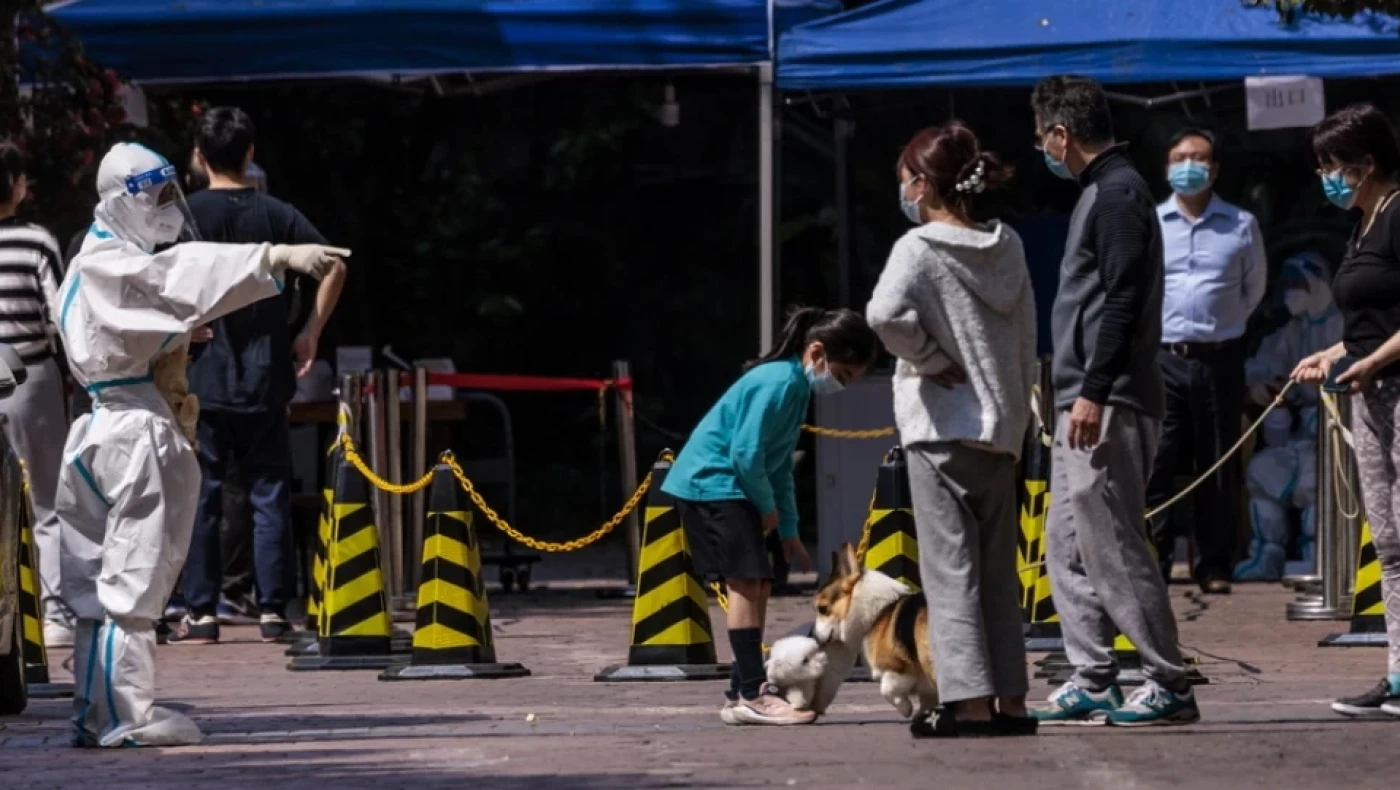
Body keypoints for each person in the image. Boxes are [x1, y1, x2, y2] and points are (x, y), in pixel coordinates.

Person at [56, 141, 348, 747]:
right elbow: (180, 275)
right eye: (157, 195)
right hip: (132, 430)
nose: (165, 209)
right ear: (124, 199)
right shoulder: (113, 264)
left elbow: (164, 290)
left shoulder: (90, 260)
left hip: (98, 429)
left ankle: (94, 711)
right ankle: (124, 718)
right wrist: (274, 257)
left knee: (96, 588)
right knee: (132, 582)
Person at [1029, 75, 1200, 727]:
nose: (1042, 148)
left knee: (1116, 543)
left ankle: (1167, 679)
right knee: (1069, 545)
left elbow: (1124, 300)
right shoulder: (1100, 193)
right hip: (1083, 396)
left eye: (1042, 136)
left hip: (1111, 399)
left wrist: (1094, 391)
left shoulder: (1119, 194)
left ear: (1061, 134)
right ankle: (1093, 673)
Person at [866, 122, 1037, 738]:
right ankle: (1013, 700)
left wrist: (930, 360)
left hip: (940, 432)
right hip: (1002, 430)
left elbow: (882, 314)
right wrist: (1016, 413)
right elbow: (1024, 341)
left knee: (950, 574)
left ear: (921, 183)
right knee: (998, 574)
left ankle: (967, 704)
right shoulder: (1008, 244)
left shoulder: (918, 248)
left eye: (905, 182)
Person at [170, 107, 347, 645]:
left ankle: (201, 612)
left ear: (199, 157)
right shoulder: (276, 213)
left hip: (200, 378)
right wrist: (311, 331)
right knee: (270, 491)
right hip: (268, 373)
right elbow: (336, 263)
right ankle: (273, 611)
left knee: (201, 493)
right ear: (251, 154)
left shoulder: (185, 215)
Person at [662, 306, 879, 726]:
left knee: (758, 583)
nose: (842, 385)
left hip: (735, 487)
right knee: (745, 582)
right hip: (714, 484)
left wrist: (789, 529)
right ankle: (750, 693)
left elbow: (778, 465)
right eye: (844, 374)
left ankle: (741, 689)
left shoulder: (796, 388)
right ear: (817, 352)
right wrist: (768, 510)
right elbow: (745, 455)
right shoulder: (778, 382)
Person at [1290, 103, 1400, 718]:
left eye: (1334, 167)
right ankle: (1397, 672)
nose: (1327, 179)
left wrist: (1374, 360)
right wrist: (1334, 353)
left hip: (1395, 388)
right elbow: (1370, 320)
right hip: (1371, 395)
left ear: (1367, 163)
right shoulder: (1363, 223)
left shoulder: (1399, 214)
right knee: (1389, 541)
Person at [1147, 128, 1268, 593]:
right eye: (1180, 157)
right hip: (1164, 358)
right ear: (1166, 167)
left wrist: (1225, 326)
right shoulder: (1153, 222)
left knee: (1217, 462)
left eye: (1199, 157)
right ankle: (1154, 562)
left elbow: (1253, 290)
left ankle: (1214, 565)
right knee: (1158, 462)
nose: (1189, 165)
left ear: (1215, 169)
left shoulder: (1240, 224)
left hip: (1219, 357)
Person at [0, 143, 74, 647]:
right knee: (46, 500)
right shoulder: (37, 242)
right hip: (31, 376)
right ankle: (52, 614)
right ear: (18, 185)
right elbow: (61, 314)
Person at [1237, 254, 1341, 581]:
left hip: (1334, 432)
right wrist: (1268, 391)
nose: (1292, 293)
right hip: (1297, 435)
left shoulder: (1343, 326)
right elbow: (1260, 368)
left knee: (1313, 482)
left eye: (1300, 285)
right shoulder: (1289, 333)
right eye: (1289, 287)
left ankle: (1318, 555)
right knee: (1262, 470)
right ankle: (1267, 553)